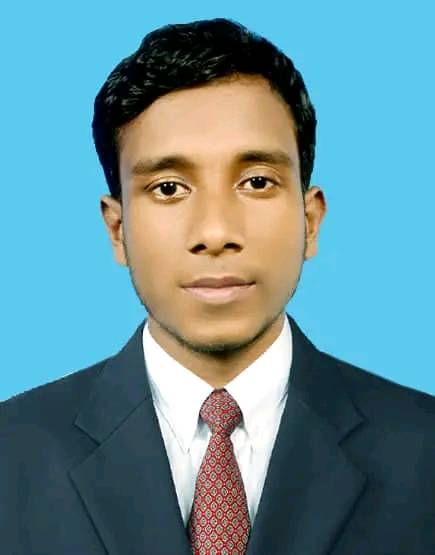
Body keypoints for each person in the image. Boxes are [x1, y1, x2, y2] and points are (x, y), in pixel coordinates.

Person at [1, 17, 434, 555]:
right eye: (168, 188)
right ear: (117, 230)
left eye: (257, 182)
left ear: (310, 220)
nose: (215, 232)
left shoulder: (423, 451)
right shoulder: (12, 454)